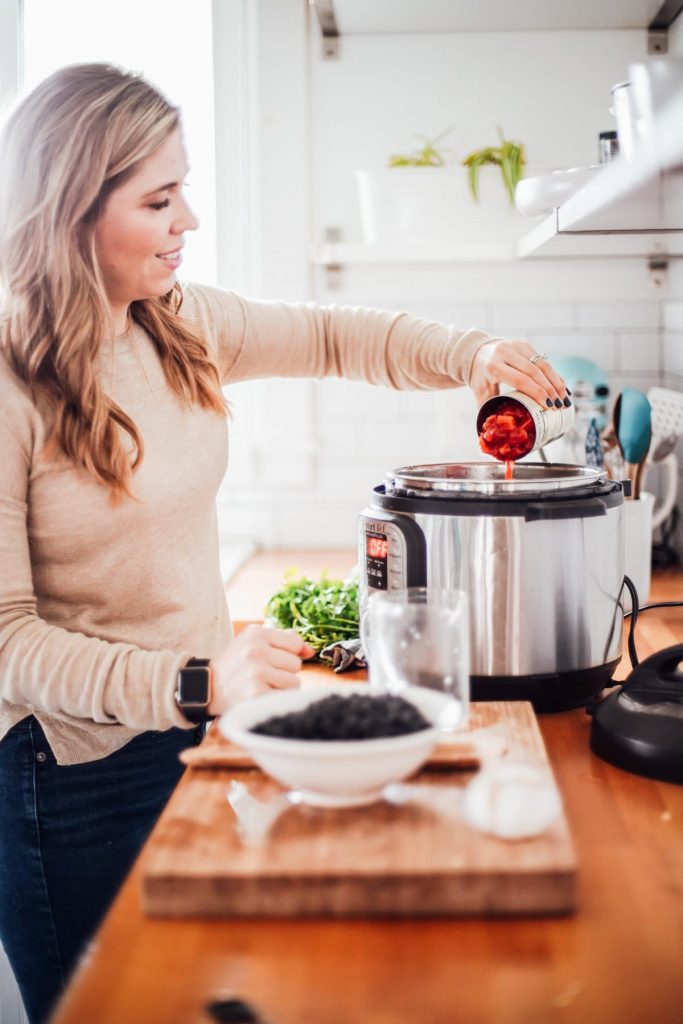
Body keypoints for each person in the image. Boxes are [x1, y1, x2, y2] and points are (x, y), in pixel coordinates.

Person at [0, 63, 569, 1023]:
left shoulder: (174, 325)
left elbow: (333, 336)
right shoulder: (12, 378)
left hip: (187, 734)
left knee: (207, 995)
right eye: (160, 198)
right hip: (68, 776)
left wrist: (467, 355)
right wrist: (192, 681)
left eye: (186, 190)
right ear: (71, 210)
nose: (189, 221)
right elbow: (7, 639)